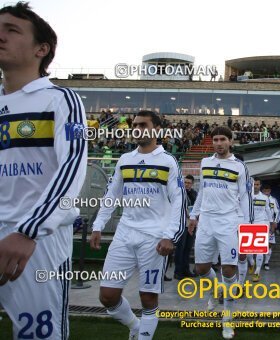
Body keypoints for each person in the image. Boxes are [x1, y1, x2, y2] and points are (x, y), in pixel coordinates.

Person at [0, 3, 87, 339]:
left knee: (38, 336)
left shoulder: (62, 101)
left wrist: (29, 230)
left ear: (41, 49)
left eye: (11, 29)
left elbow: (73, 165)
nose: (1, 34)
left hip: (37, 241)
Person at [90, 110, 186, 340]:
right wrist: (98, 225)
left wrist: (170, 236)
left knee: (148, 298)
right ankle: (135, 326)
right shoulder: (125, 160)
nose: (137, 129)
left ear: (157, 130)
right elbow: (111, 195)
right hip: (124, 235)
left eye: (143, 125)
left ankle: (143, 336)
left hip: (154, 238)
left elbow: (179, 203)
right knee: (107, 296)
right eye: (135, 125)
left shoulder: (168, 161)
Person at [188, 126, 253, 340]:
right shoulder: (205, 163)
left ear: (231, 141)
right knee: (201, 268)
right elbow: (203, 192)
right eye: (215, 139)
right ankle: (216, 291)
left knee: (228, 271)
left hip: (229, 222)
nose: (218, 143)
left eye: (223, 139)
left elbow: (245, 198)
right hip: (206, 221)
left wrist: (245, 227)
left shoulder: (240, 166)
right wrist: (193, 215)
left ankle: (227, 320)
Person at [171, 174, 198, 280]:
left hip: (192, 224)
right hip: (181, 224)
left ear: (192, 184)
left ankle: (186, 270)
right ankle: (178, 272)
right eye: (185, 182)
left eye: (189, 183)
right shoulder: (179, 193)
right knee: (180, 249)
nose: (187, 184)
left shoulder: (195, 193)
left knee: (188, 248)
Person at [251, 179, 273, 282]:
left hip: (262, 224)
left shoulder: (265, 198)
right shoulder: (246, 196)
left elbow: (269, 212)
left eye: (257, 184)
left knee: (259, 249)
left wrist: (271, 224)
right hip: (248, 225)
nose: (255, 186)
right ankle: (252, 263)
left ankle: (257, 272)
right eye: (254, 184)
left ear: (260, 186)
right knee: (248, 252)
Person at [261, 183, 280, 270]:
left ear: (270, 191)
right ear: (262, 191)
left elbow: (278, 212)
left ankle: (266, 262)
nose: (266, 192)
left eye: (268, 190)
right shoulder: (258, 198)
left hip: (269, 225)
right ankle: (257, 263)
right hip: (259, 223)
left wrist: (275, 222)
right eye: (264, 190)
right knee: (258, 244)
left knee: (269, 244)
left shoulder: (273, 200)